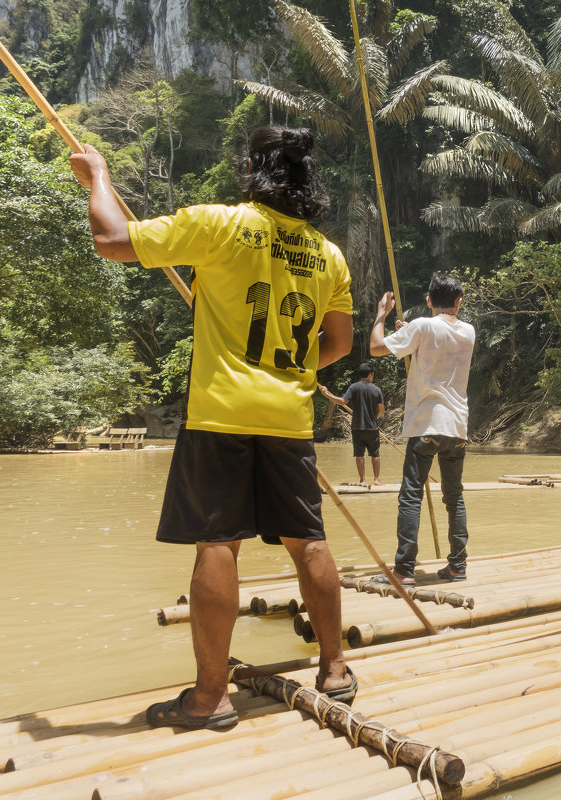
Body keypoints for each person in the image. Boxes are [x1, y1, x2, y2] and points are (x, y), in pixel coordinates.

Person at [69, 126, 355, 730]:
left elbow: (110, 238)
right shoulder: (327, 255)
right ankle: (334, 668)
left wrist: (99, 179)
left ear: (252, 170)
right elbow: (338, 343)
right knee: (310, 541)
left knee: (217, 544)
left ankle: (208, 697)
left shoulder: (222, 224)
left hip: (221, 414)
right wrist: (287, 368)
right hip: (288, 417)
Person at [370, 273, 474, 584]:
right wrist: (411, 334)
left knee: (411, 496)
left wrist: (381, 315)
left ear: (428, 300)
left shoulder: (423, 326)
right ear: (459, 302)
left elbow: (376, 347)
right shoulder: (468, 331)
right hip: (456, 426)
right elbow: (438, 346)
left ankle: (403, 570)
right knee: (454, 496)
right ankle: (457, 565)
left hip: (427, 423)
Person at [319, 362, 386, 486]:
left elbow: (342, 401)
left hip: (357, 427)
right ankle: (376, 480)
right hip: (372, 427)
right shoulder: (376, 389)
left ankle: (362, 480)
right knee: (375, 454)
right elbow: (381, 409)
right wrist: (373, 419)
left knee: (359, 455)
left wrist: (326, 394)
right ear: (370, 374)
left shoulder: (354, 387)